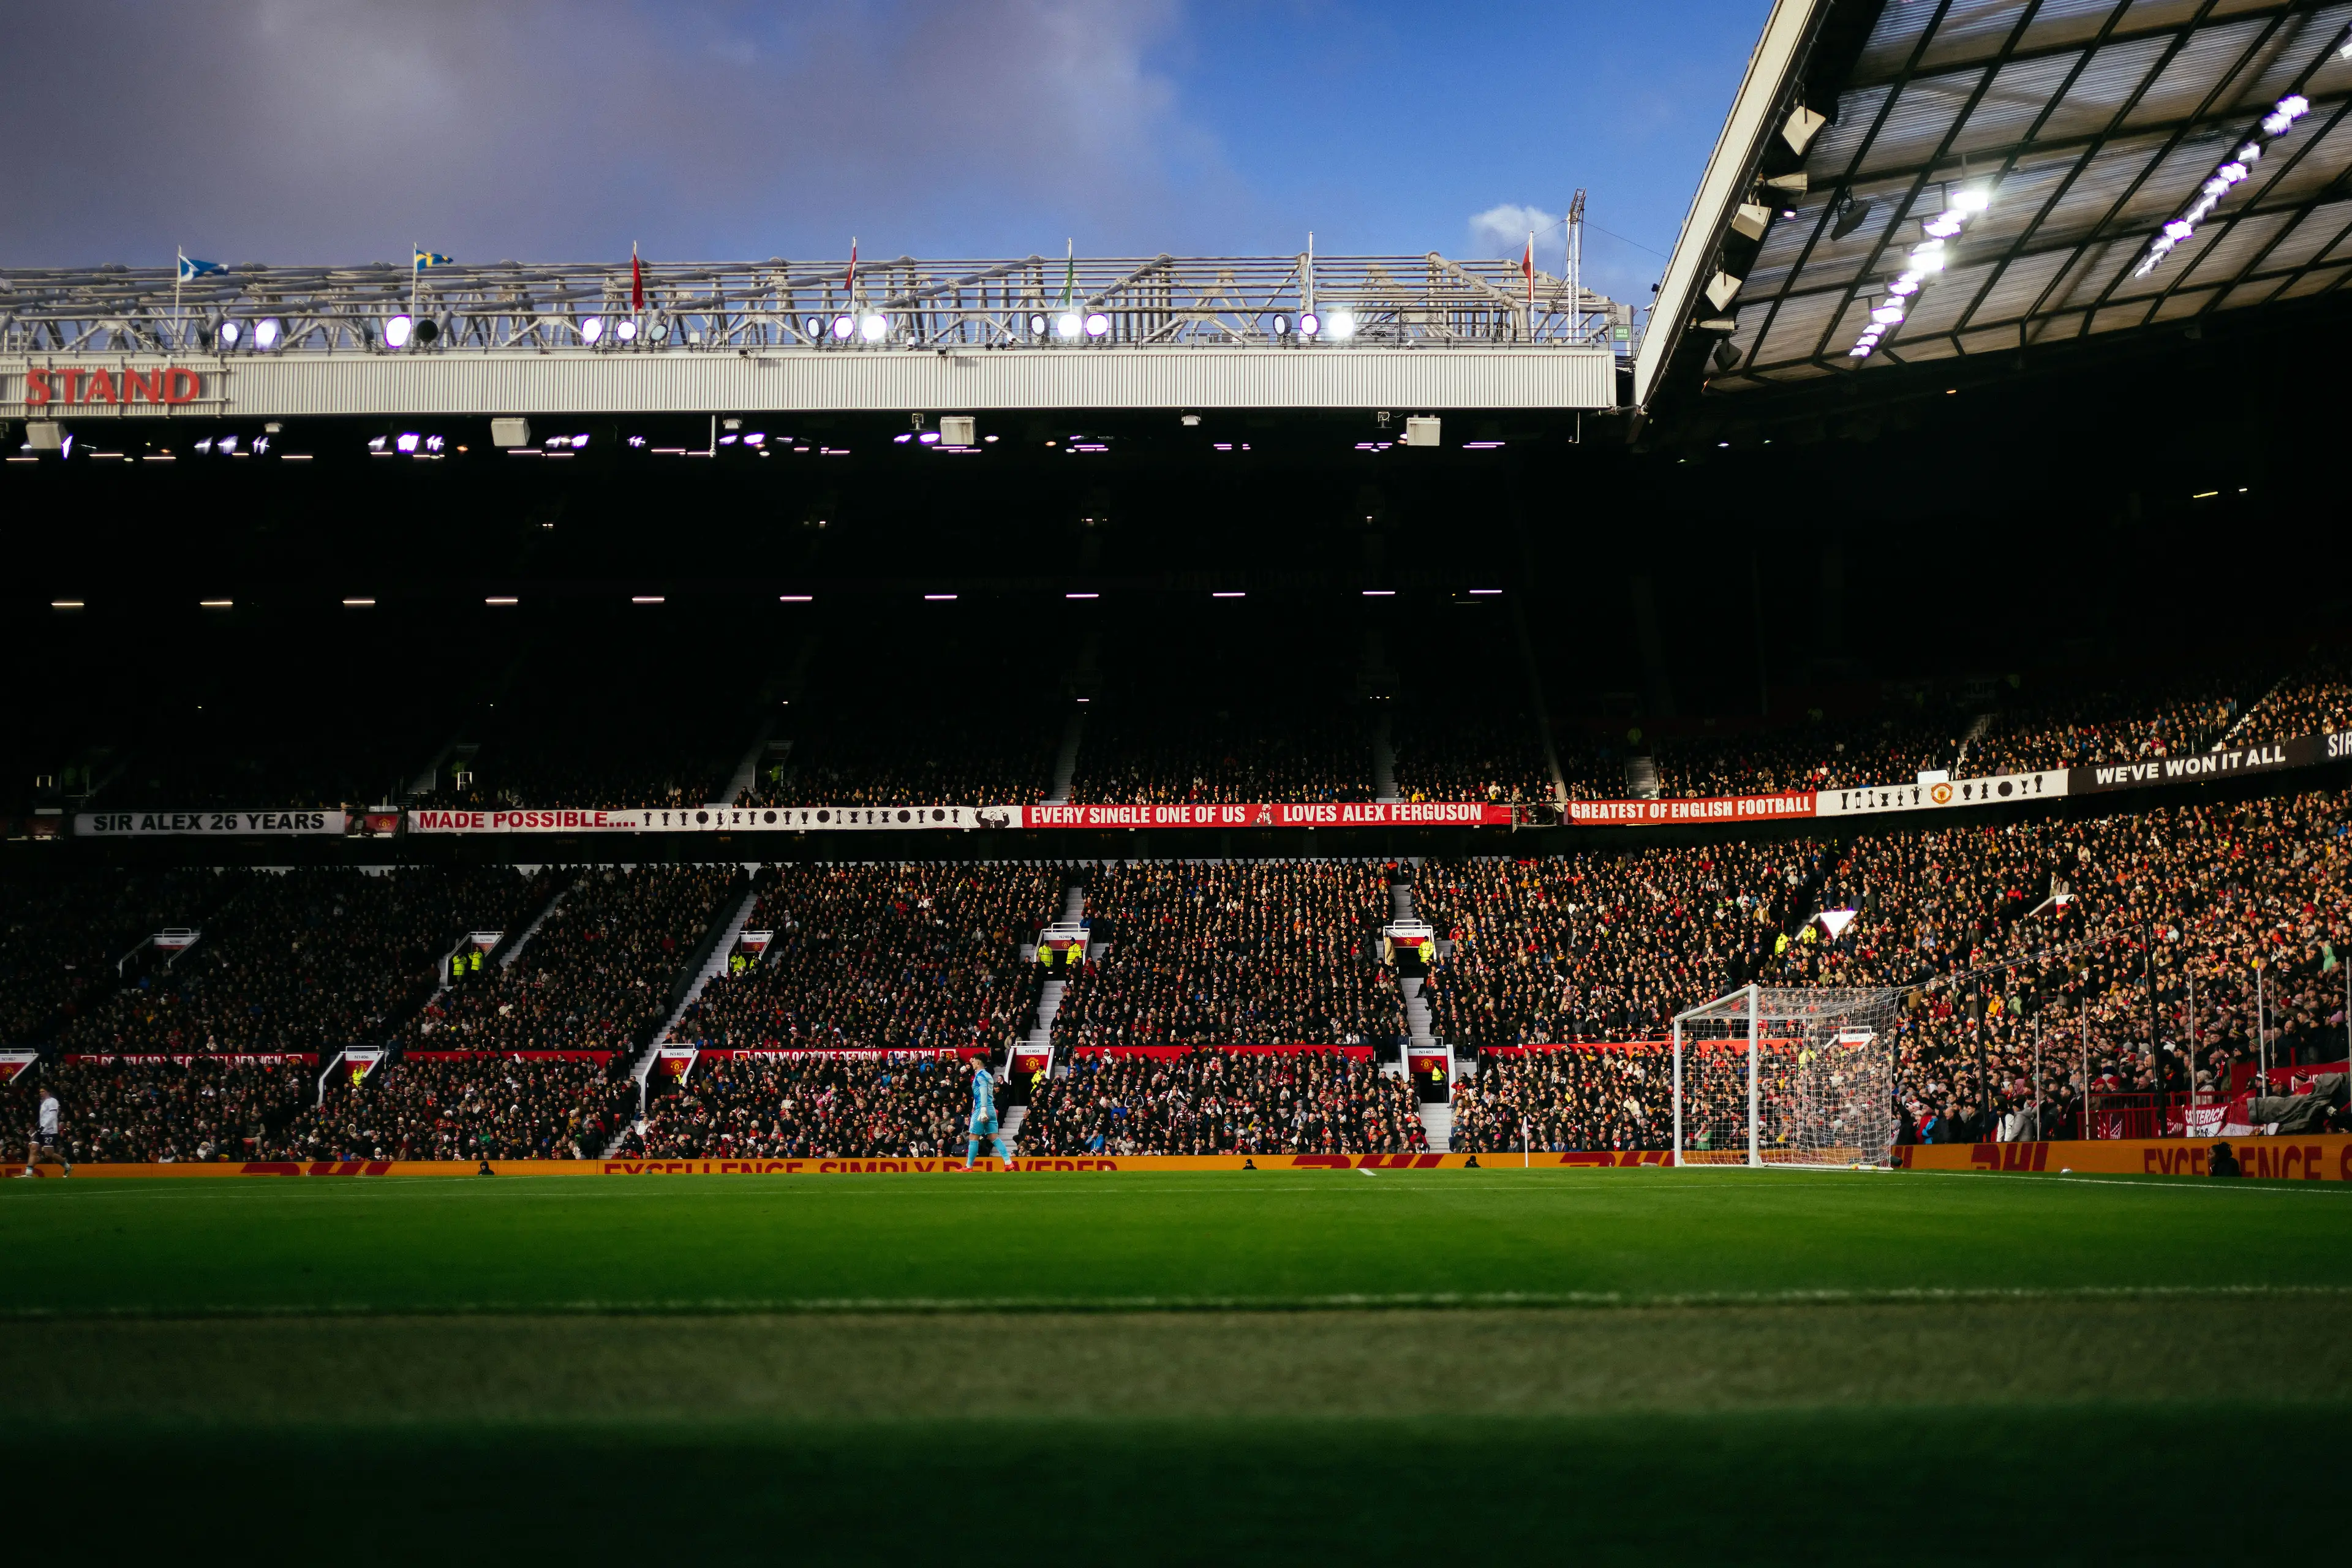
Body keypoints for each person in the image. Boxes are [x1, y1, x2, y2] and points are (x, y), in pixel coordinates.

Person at [965, 1059, 1006, 1169]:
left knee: (973, 1137)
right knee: (994, 1137)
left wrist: (983, 1110)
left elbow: (983, 1092)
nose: (971, 1063)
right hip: (991, 1108)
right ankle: (1008, 1162)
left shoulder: (980, 1076)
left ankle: (969, 1167)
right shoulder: (988, 1075)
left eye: (973, 1061)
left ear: (978, 1063)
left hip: (981, 1108)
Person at [25, 1086, 69, 1177]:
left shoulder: (52, 1101)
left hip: (50, 1131)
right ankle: (28, 1173)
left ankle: (67, 1167)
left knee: (49, 1154)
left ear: (48, 1092)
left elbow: (52, 1116)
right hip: (41, 1130)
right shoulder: (43, 1102)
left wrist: (43, 1126)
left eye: (43, 1092)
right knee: (33, 1148)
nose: (41, 1093)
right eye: (40, 1092)